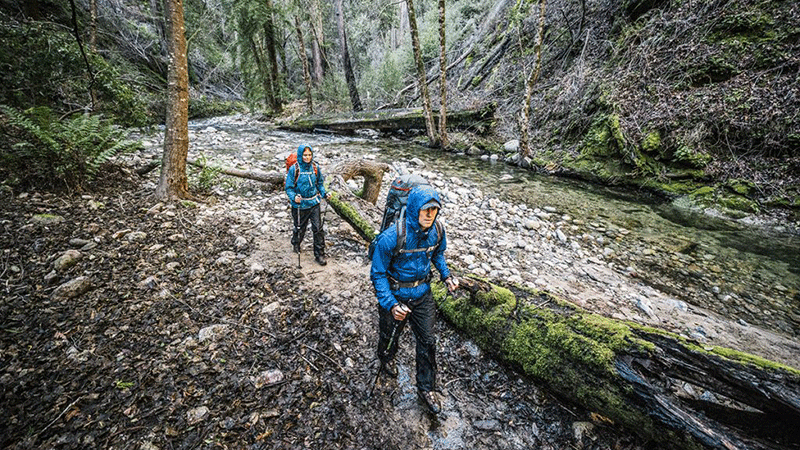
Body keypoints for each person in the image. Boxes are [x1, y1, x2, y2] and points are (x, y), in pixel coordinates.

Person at [370, 184, 458, 414]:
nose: (430, 214)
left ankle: (426, 387)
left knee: (428, 341)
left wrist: (447, 276)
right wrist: (390, 304)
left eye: (434, 210)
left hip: (422, 295)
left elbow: (437, 254)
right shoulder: (392, 237)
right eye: (426, 209)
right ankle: (386, 357)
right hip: (396, 295)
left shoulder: (437, 230)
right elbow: (378, 273)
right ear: (415, 209)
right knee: (390, 335)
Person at [285, 144, 331, 266]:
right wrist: (294, 197)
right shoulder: (294, 169)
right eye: (305, 155)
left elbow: (320, 183)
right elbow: (289, 188)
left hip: (314, 202)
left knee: (318, 229)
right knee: (300, 227)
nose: (307, 157)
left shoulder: (315, 167)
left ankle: (319, 254)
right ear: (301, 155)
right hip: (300, 204)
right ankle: (296, 242)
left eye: (309, 155)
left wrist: (324, 193)